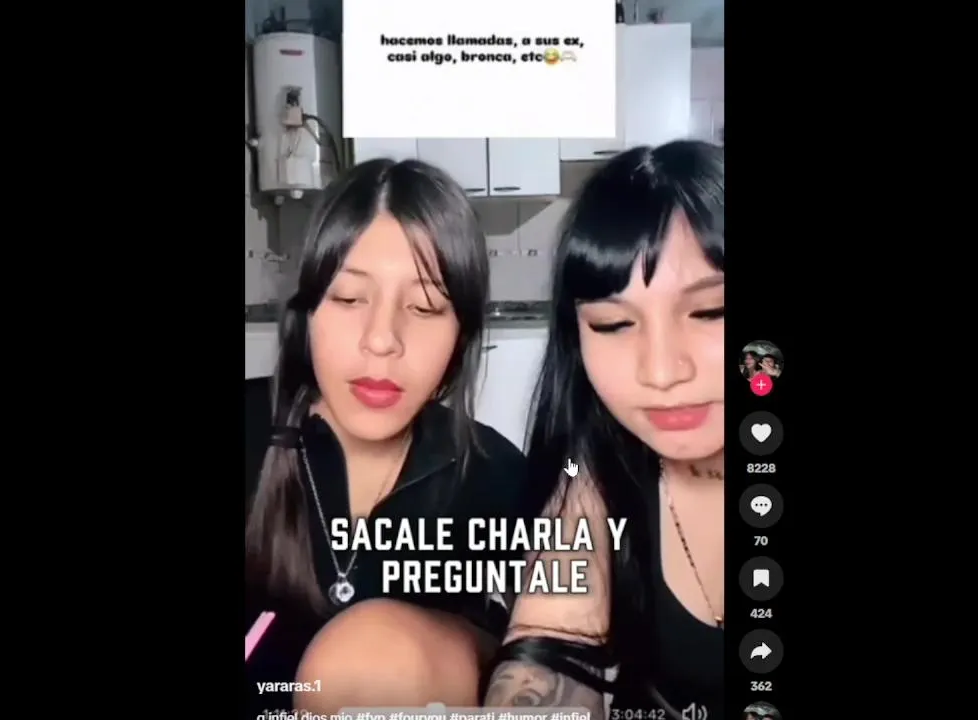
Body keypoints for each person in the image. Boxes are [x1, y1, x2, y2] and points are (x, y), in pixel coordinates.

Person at [244, 158, 532, 713]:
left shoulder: (495, 474)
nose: (382, 340)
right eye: (349, 299)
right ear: (308, 313)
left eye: (424, 307)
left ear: (462, 334)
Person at [483, 140, 726, 717]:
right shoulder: (598, 472)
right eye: (614, 324)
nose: (662, 372)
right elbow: (548, 651)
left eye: (711, 312)